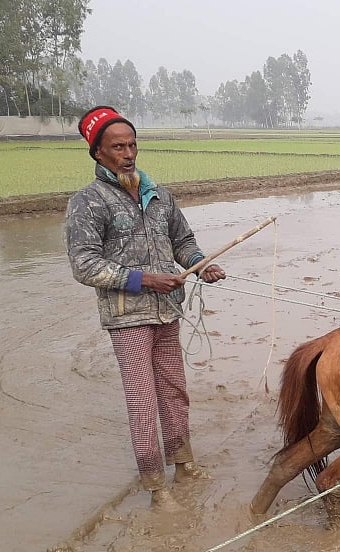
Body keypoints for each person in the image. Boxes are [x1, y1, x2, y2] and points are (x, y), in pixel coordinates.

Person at [65, 106, 226, 510]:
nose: (128, 153)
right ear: (97, 153)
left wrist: (200, 264)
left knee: (175, 391)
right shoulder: (88, 202)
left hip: (168, 310)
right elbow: (85, 265)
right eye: (117, 146)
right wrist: (146, 279)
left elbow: (183, 241)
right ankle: (156, 486)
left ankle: (183, 462)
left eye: (132, 144)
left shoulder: (158, 195)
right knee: (141, 401)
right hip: (127, 317)